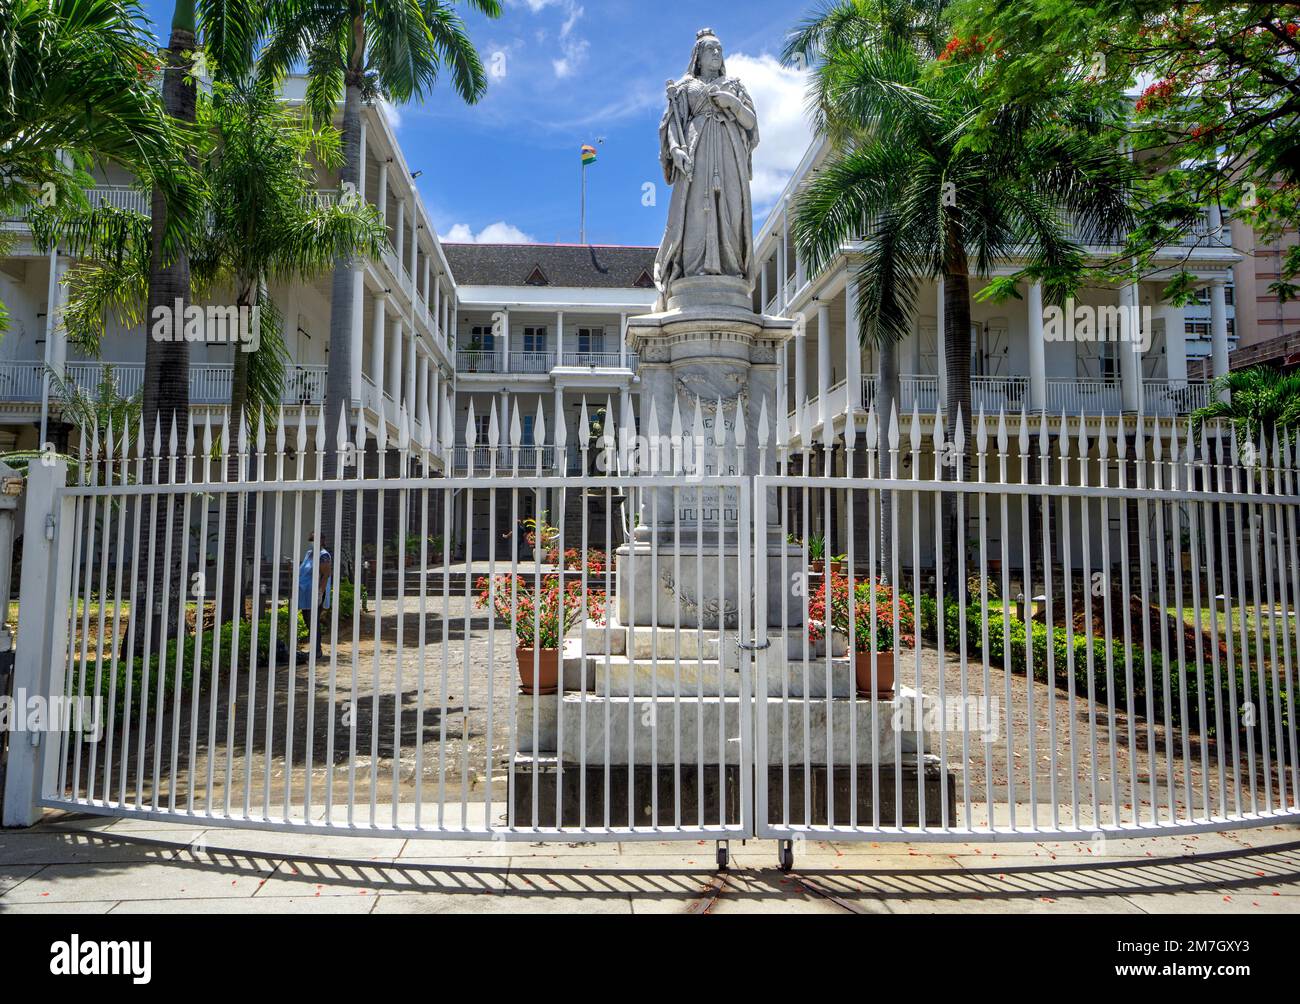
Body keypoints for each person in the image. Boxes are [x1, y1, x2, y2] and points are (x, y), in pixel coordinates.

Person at [297, 538, 333, 660]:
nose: (312, 541)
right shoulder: (309, 553)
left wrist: (319, 593)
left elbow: (325, 575)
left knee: (312, 621)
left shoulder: (324, 556)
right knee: (307, 618)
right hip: (305, 593)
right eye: (311, 539)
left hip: (316, 593)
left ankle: (317, 650)